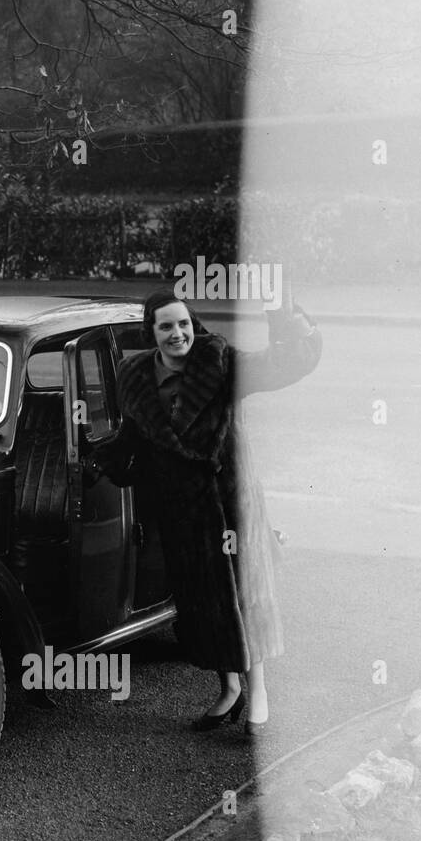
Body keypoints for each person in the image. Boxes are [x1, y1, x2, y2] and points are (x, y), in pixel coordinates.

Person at [87, 289, 322, 735]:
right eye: (166, 326)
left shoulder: (220, 362)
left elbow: (286, 364)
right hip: (184, 513)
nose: (178, 334)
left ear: (193, 325)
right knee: (203, 605)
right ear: (151, 332)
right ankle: (229, 690)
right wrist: (101, 457)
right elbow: (134, 439)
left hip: (230, 506)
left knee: (243, 600)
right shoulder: (134, 375)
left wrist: (285, 316)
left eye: (183, 324)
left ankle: (260, 696)